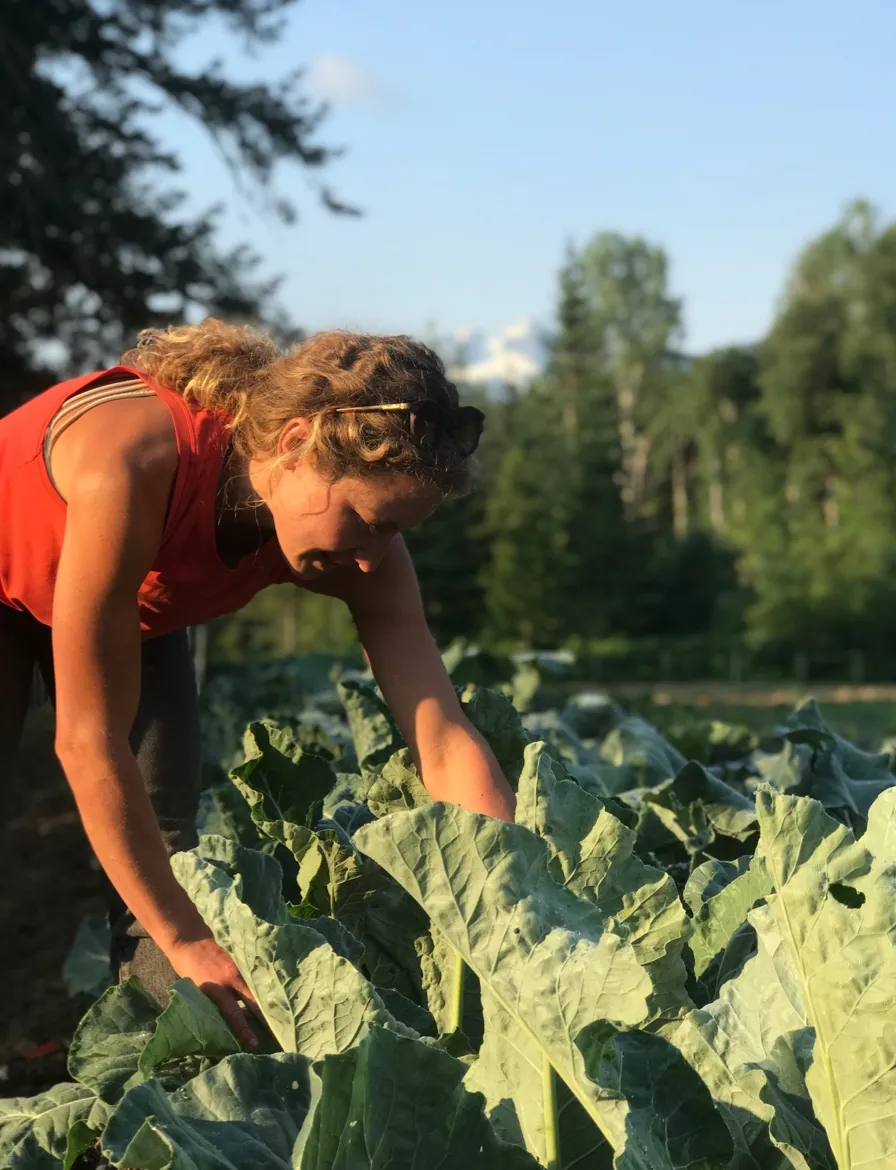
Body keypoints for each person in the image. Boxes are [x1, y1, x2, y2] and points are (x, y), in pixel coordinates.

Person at [0, 319, 515, 1046]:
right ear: (296, 444)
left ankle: (162, 1099)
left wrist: (509, 887)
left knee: (171, 854)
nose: (375, 558)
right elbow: (88, 744)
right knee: (175, 922)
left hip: (133, 608)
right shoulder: (134, 464)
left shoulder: (357, 548)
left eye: (396, 531)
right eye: (368, 521)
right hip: (9, 575)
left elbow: (441, 729)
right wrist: (184, 942)